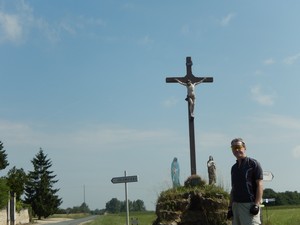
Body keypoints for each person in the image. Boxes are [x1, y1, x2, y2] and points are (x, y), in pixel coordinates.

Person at [227, 138, 263, 225]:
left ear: (244, 147)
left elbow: (260, 185)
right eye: (233, 148)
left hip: (249, 205)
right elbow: (233, 188)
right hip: (236, 206)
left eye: (238, 147)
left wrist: (256, 205)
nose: (236, 150)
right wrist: (230, 207)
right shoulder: (234, 168)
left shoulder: (253, 164)